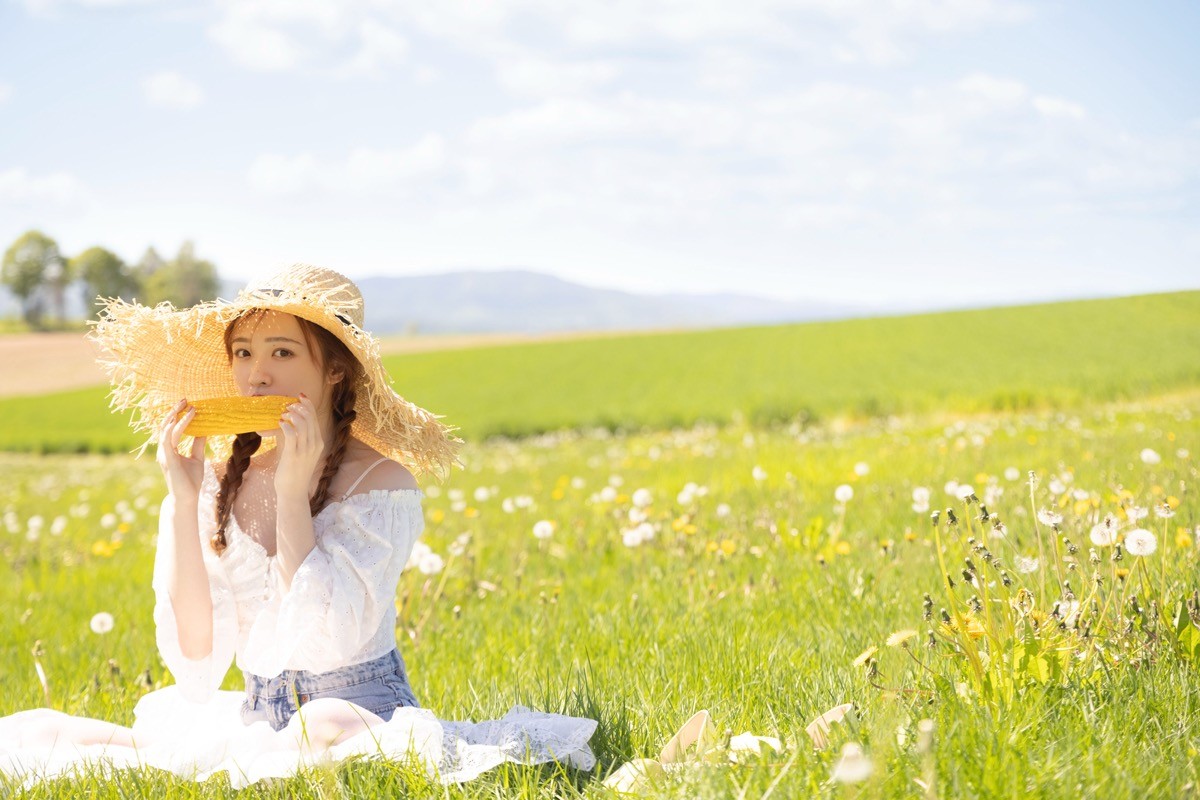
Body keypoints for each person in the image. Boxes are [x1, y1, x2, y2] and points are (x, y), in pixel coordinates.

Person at [0, 265, 596, 788]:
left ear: (335, 369)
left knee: (322, 724)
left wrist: (291, 494)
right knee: (53, 735)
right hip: (259, 719)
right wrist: (183, 504)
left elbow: (325, 642)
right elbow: (198, 661)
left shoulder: (383, 483)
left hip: (356, 716)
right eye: (243, 353)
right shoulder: (214, 482)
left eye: (281, 352)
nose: (256, 375)